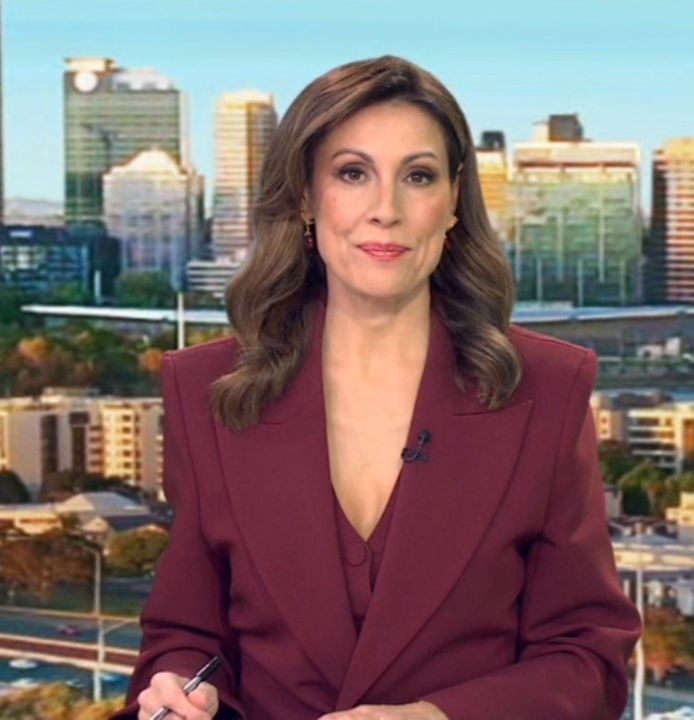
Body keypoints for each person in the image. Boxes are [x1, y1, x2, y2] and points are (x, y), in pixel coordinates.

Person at [110, 55, 642, 720]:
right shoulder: (206, 391)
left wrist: (434, 718)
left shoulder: (548, 390)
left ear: (453, 202)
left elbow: (587, 660)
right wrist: (177, 685)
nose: (385, 211)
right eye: (353, 173)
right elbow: (186, 635)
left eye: (417, 176)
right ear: (306, 197)